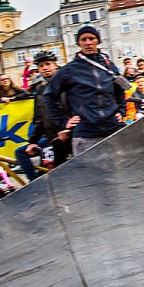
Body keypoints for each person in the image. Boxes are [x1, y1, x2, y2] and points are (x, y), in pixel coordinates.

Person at [44, 25, 127, 156]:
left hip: (113, 128)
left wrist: (121, 111)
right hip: (86, 133)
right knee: (89, 169)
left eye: (91, 38)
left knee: (121, 167)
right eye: (83, 39)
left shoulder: (108, 65)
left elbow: (120, 90)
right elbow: (48, 96)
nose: (88, 43)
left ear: (98, 41)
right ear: (78, 43)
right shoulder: (69, 69)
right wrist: (64, 121)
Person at [16, 50, 72, 180]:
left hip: (69, 136)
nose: (45, 68)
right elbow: (40, 118)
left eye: (48, 64)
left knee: (62, 175)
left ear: (55, 65)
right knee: (48, 176)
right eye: (41, 66)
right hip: (52, 138)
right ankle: (34, 185)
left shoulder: (67, 84)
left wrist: (69, 129)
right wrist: (32, 142)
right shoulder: (41, 89)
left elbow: (75, 110)